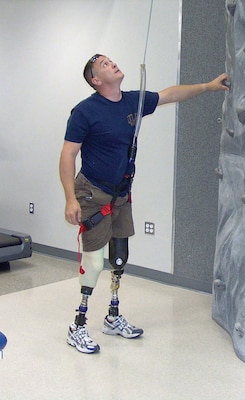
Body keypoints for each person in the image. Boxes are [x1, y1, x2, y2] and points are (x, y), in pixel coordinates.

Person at [59, 53, 229, 354]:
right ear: (96, 80)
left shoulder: (132, 102)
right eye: (104, 65)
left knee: (120, 257)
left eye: (111, 60)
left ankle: (112, 316)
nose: (112, 63)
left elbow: (170, 95)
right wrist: (70, 199)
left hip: (121, 193)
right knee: (95, 261)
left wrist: (207, 86)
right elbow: (68, 155)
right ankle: (79, 325)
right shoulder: (85, 112)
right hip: (92, 193)